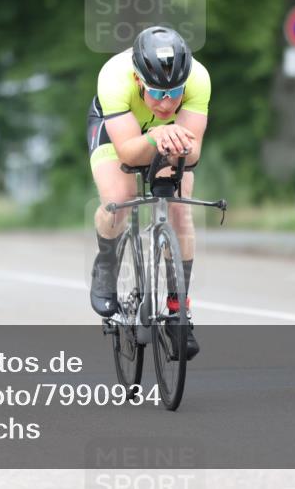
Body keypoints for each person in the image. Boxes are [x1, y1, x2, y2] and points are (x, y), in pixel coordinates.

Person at [86, 26, 210, 359]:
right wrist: (156, 136)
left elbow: (192, 154)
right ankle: (107, 261)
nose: (166, 102)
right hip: (118, 132)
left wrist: (172, 142)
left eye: (175, 92)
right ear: (138, 80)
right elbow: (128, 153)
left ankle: (178, 311)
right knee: (119, 199)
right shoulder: (114, 76)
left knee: (179, 207)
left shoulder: (199, 78)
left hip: (168, 138)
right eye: (156, 93)